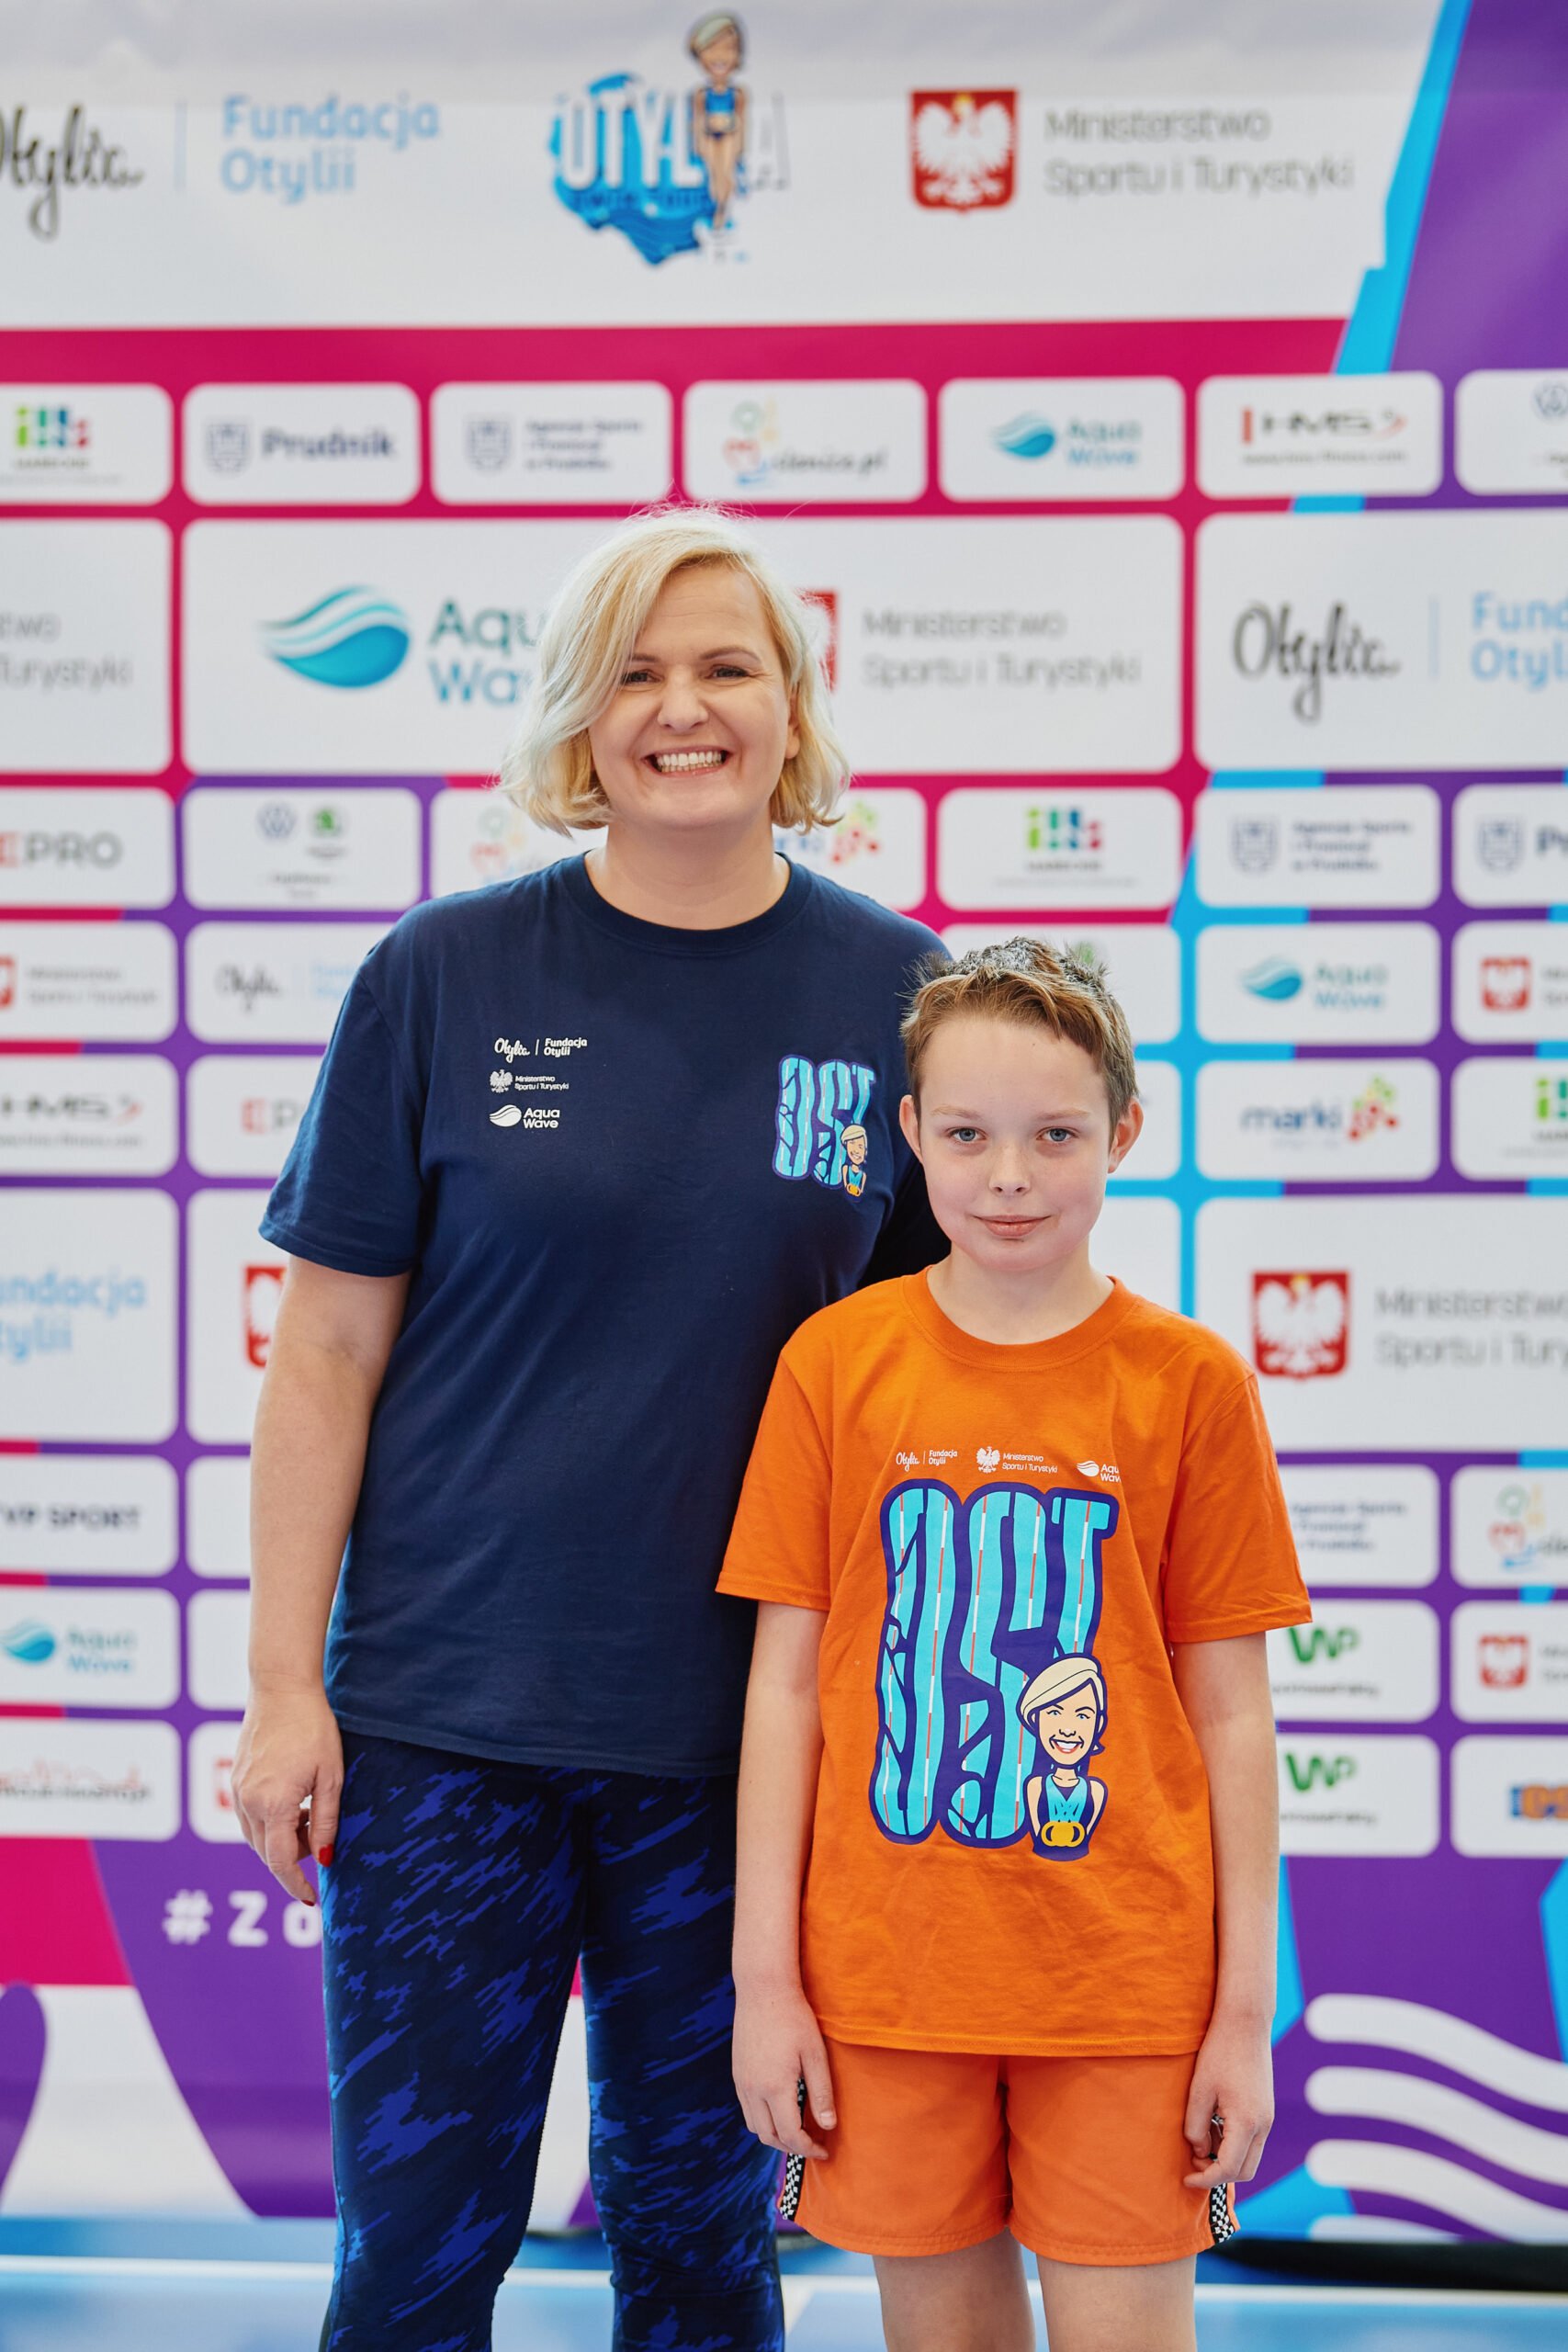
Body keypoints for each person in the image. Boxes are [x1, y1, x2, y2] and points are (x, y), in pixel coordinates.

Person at [229, 507, 944, 2352]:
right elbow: (325, 1355)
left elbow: (945, 1371)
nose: (680, 708)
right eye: (634, 671)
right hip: (443, 1730)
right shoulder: (441, 974)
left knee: (706, 2269)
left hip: (744, 1747)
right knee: (414, 2267)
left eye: (724, 667)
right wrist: (283, 1688)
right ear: (574, 712)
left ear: (793, 706)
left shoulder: (900, 997)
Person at [719, 939, 1312, 2352]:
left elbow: (1231, 1716)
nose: (1006, 1177)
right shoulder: (832, 1366)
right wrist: (765, 1982)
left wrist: (1238, 2015)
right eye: (966, 1136)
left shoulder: (1188, 1385)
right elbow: (785, 1688)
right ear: (909, 1133)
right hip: (886, 1985)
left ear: (1122, 1133)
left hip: (1123, 1990)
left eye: (1052, 1136)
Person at [688, 12, 748, 235]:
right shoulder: (701, 94)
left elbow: (742, 120)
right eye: (712, 48)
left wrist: (739, 144)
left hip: (729, 137)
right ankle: (717, 210)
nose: (720, 56)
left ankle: (723, 210)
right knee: (715, 175)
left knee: (725, 172)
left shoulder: (738, 93)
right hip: (710, 138)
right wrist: (700, 143)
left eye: (728, 48)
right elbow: (697, 121)